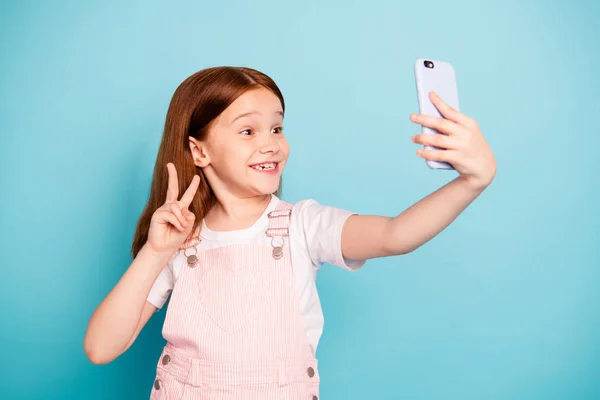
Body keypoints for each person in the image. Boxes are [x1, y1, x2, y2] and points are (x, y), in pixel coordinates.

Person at [83, 66, 496, 399]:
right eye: (248, 131)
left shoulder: (303, 225)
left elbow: (395, 234)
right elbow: (101, 348)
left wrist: (471, 181)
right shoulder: (179, 240)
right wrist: (156, 252)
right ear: (198, 150)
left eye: (277, 128)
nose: (271, 144)